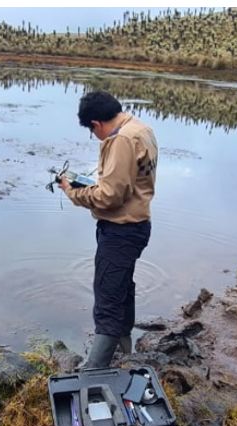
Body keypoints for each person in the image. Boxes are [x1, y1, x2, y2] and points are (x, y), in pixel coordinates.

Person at [60, 91, 158, 368]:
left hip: (121, 231)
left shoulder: (121, 140)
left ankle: (95, 368)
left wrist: (73, 192)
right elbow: (127, 183)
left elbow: (110, 196)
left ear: (96, 124)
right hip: (138, 226)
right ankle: (125, 350)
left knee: (107, 296)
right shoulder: (141, 128)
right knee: (122, 287)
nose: (96, 137)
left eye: (93, 132)